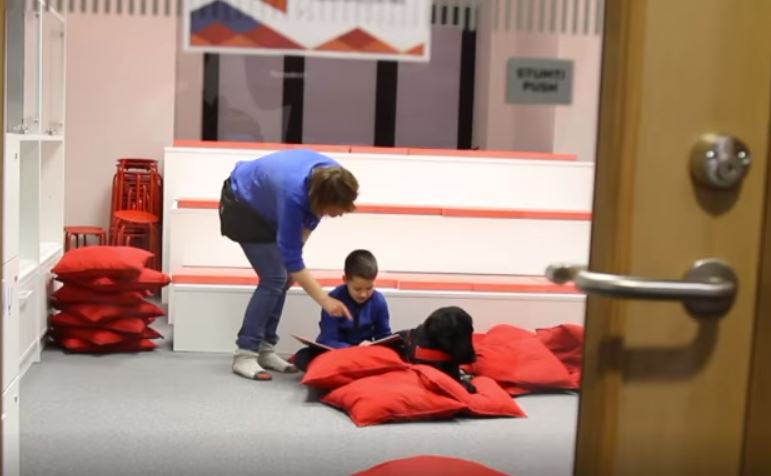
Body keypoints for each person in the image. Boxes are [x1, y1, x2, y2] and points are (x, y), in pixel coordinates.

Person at [219, 149, 358, 381]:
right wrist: (325, 300)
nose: (341, 214)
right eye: (337, 210)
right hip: (241, 202)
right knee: (274, 277)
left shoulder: (332, 177)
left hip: (267, 205)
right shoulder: (294, 194)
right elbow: (292, 257)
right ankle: (245, 353)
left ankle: (265, 349)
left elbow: (307, 226)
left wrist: (294, 267)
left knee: (284, 276)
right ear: (322, 201)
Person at [293, 249, 392, 372]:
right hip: (337, 352)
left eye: (369, 288)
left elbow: (384, 336)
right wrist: (354, 349)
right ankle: (355, 370)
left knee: (395, 355)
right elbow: (328, 339)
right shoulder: (333, 299)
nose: (363, 294)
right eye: (357, 289)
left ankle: (350, 370)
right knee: (303, 356)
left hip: (364, 353)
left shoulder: (378, 301)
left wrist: (375, 347)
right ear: (345, 279)